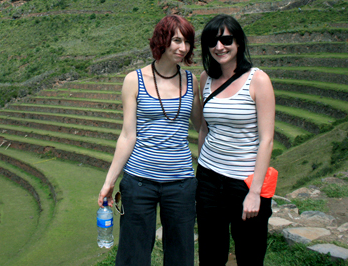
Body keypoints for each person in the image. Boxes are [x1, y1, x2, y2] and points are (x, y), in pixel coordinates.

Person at [98, 14, 202, 266]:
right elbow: (127, 134)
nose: (182, 47)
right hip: (139, 182)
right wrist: (109, 181)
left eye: (187, 41)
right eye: (176, 40)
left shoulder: (192, 81)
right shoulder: (133, 80)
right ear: (162, 40)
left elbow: (202, 128)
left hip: (180, 182)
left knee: (181, 254)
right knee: (133, 254)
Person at [196, 14, 276, 266]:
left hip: (244, 181)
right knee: (210, 253)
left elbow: (267, 140)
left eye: (226, 39)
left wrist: (254, 193)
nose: (219, 47)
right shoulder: (204, 78)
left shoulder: (258, 80)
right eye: (212, 41)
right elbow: (204, 130)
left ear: (239, 41)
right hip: (208, 178)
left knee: (249, 253)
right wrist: (200, 170)